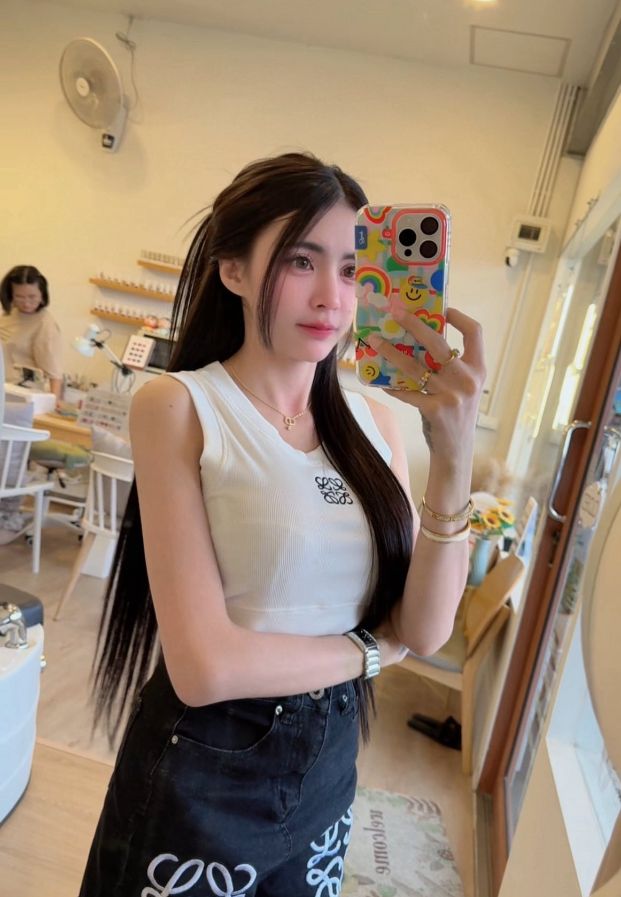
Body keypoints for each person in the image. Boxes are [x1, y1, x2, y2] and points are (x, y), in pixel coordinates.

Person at [79, 152, 485, 897]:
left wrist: (454, 452)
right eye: (302, 260)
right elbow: (205, 668)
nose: (332, 295)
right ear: (233, 269)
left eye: (352, 269)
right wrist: (370, 650)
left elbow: (424, 631)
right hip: (207, 763)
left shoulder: (376, 424)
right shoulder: (179, 405)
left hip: (328, 764)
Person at [0, 265, 63, 401]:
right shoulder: (8, 316)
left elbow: (54, 374)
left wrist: (53, 402)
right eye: (19, 297)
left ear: (42, 295)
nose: (26, 303)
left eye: (32, 297)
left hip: (23, 395)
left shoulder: (45, 324)